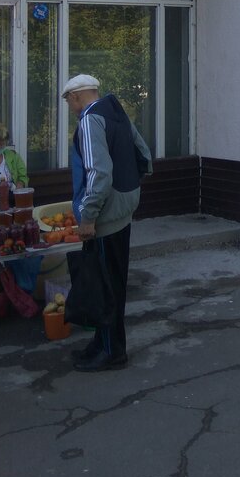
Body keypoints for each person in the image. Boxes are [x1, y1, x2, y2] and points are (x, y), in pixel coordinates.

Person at [63, 74, 152, 373]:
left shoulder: (89, 120)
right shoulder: (115, 111)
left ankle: (112, 352)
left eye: (68, 100)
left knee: (105, 287)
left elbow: (98, 173)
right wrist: (128, 190)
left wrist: (88, 216)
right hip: (122, 210)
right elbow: (143, 155)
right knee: (112, 282)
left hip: (103, 216)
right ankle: (101, 343)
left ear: (76, 96)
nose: (69, 106)